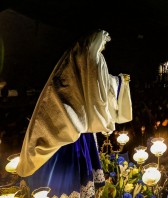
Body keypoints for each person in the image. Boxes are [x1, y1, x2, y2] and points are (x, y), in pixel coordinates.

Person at [16, 29, 132, 197]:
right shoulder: (92, 57)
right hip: (75, 123)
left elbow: (97, 83)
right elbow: (100, 87)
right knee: (67, 174)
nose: (104, 46)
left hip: (72, 120)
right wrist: (121, 81)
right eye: (104, 43)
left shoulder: (72, 57)